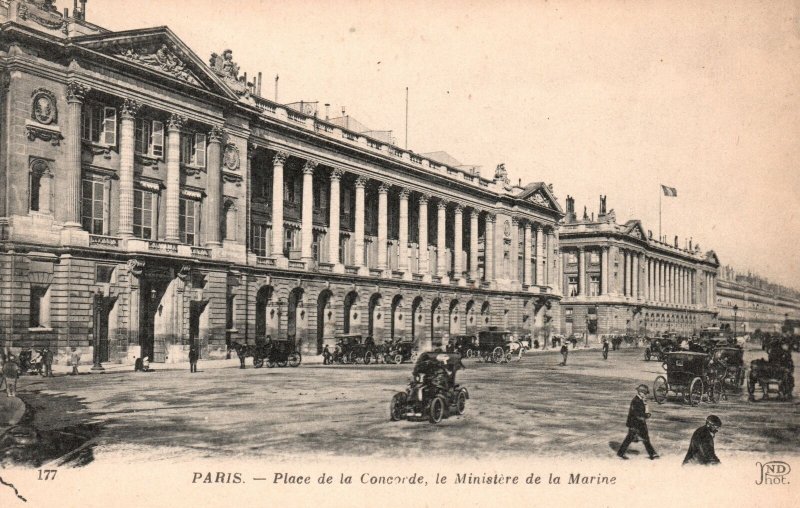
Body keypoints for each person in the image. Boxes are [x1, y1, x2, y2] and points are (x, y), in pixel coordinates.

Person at [617, 384, 659, 460]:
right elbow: (637, 414)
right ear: (641, 392)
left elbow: (642, 411)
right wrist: (646, 416)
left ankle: (652, 454)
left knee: (645, 438)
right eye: (645, 393)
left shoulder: (640, 400)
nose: (645, 395)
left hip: (639, 422)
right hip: (635, 424)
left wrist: (646, 410)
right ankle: (620, 453)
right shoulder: (636, 401)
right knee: (630, 438)